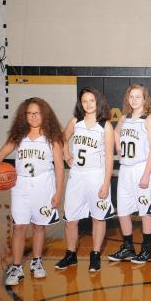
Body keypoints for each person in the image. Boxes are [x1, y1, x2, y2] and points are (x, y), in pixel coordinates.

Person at [0, 97, 64, 285]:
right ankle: (17, 266)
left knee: (39, 226)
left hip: (44, 186)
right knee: (19, 227)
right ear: (24, 116)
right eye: (29, 113)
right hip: (20, 186)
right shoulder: (18, 136)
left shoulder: (52, 138)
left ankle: (36, 261)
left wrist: (58, 193)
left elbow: (60, 168)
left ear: (44, 115)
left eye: (37, 113)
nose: (33, 116)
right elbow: (1, 154)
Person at [55, 87, 115, 273]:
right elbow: (62, 139)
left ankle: (95, 255)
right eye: (84, 101)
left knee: (98, 218)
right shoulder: (76, 121)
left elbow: (109, 157)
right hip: (77, 176)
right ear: (80, 104)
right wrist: (67, 156)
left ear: (98, 102)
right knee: (70, 219)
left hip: (96, 176)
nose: (88, 104)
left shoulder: (105, 126)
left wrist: (106, 183)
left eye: (91, 100)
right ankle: (71, 254)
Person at [108, 84, 151, 264]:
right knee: (122, 211)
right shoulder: (124, 118)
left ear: (145, 99)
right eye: (131, 97)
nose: (134, 100)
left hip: (142, 168)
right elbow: (115, 132)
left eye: (138, 97)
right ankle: (128, 247)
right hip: (125, 169)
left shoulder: (149, 119)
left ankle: (146, 250)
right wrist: (118, 148)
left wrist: (146, 175)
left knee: (146, 211)